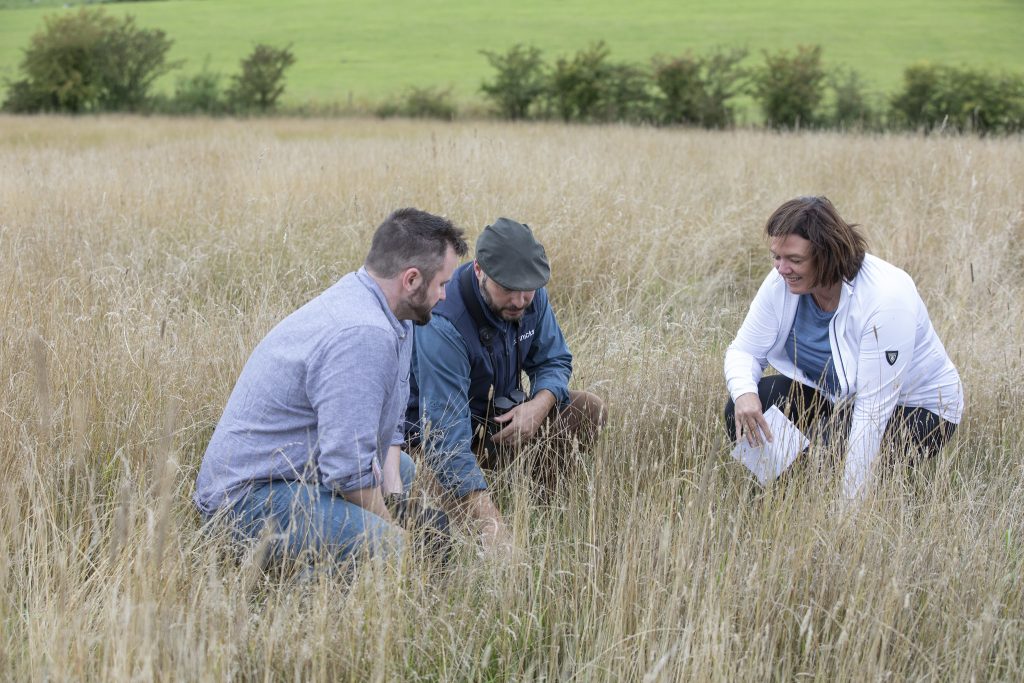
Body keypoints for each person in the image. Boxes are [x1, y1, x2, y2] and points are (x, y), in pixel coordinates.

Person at [194, 208, 468, 567]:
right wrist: (392, 530)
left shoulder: (391, 313)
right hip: (246, 500)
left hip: (297, 472)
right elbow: (347, 470)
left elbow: (388, 429)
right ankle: (306, 596)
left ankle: (339, 549)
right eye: (442, 284)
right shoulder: (363, 334)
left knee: (402, 470)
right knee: (394, 553)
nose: (446, 295)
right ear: (412, 280)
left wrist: (396, 504)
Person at [724, 196, 963, 502]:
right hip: (836, 395)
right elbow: (743, 351)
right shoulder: (781, 282)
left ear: (826, 255)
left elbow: (872, 415)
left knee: (833, 452)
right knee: (746, 407)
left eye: (794, 260)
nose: (782, 269)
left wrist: (846, 521)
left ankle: (830, 500)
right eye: (776, 257)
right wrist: (745, 393)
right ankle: (789, 499)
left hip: (919, 409)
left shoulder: (886, 298)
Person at [408, 217, 606, 552]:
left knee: (588, 409)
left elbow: (554, 360)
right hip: (434, 441)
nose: (518, 301)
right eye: (507, 290)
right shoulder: (444, 322)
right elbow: (446, 441)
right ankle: (488, 529)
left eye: (526, 291)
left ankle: (545, 511)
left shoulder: (532, 295)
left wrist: (538, 406)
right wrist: (492, 524)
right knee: (464, 531)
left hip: (498, 423)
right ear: (480, 271)